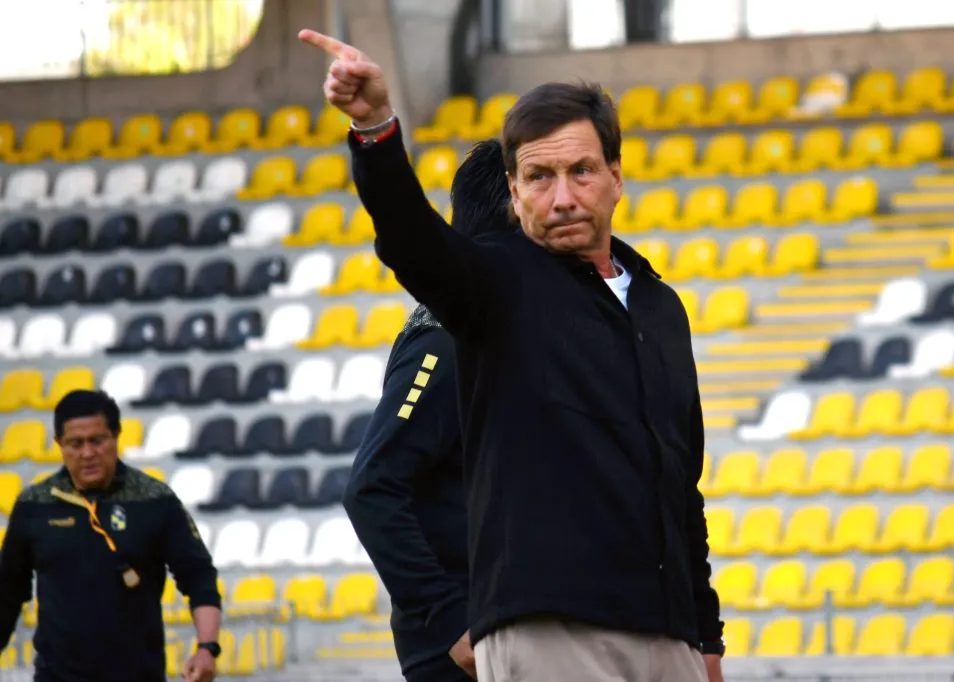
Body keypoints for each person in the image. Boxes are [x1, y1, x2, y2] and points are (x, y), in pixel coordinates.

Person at [298, 30, 725, 682]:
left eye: (581, 171)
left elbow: (680, 488)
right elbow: (414, 241)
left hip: (666, 633)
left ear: (616, 176)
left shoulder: (660, 310)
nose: (561, 197)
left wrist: (706, 639)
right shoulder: (495, 291)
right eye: (538, 177)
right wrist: (376, 128)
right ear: (514, 192)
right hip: (550, 628)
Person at [343, 139, 516, 682]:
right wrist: (448, 622)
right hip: (463, 647)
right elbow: (371, 488)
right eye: (540, 182)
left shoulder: (505, 327)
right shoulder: (446, 338)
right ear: (513, 207)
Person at [0, 389, 223, 682]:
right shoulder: (34, 506)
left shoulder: (155, 500)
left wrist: (207, 648)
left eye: (97, 440)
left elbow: (199, 577)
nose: (88, 453)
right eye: (75, 444)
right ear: (59, 445)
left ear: (116, 436)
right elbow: (7, 591)